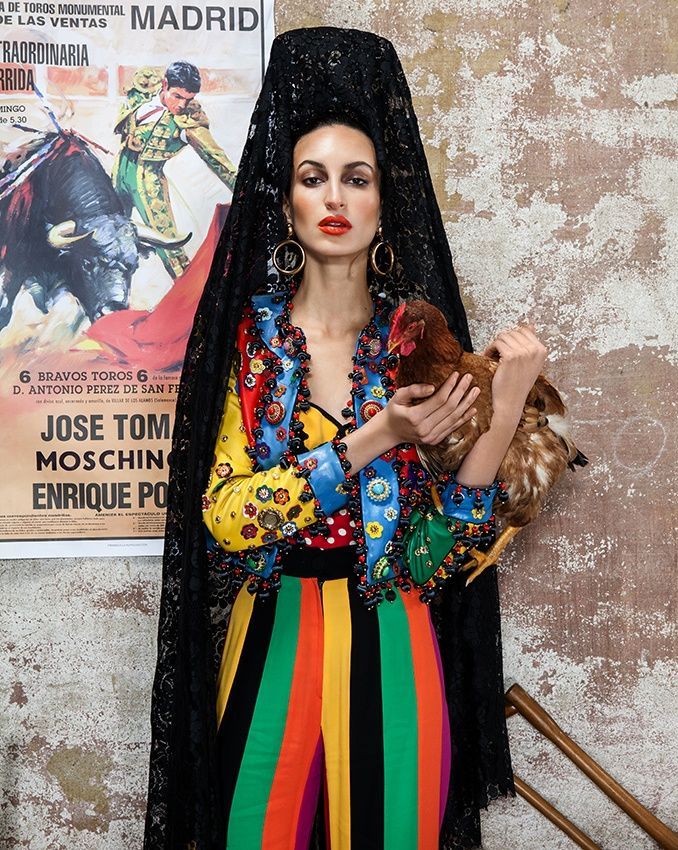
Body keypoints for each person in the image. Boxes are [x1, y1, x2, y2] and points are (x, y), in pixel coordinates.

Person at [143, 28, 547, 850]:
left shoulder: (418, 344)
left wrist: (504, 410)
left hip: (398, 640)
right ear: (285, 202)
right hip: (272, 638)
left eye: (356, 178)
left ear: (384, 201)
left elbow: (436, 556)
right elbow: (226, 518)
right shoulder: (250, 345)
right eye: (312, 177)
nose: (334, 197)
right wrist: (375, 436)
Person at [112, 61, 238, 278]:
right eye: (177, 96)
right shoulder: (144, 90)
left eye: (188, 99)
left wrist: (243, 189)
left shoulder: (188, 121)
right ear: (164, 85)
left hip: (148, 183)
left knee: (169, 246)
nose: (181, 105)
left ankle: (189, 296)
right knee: (109, 234)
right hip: (119, 173)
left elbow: (215, 157)